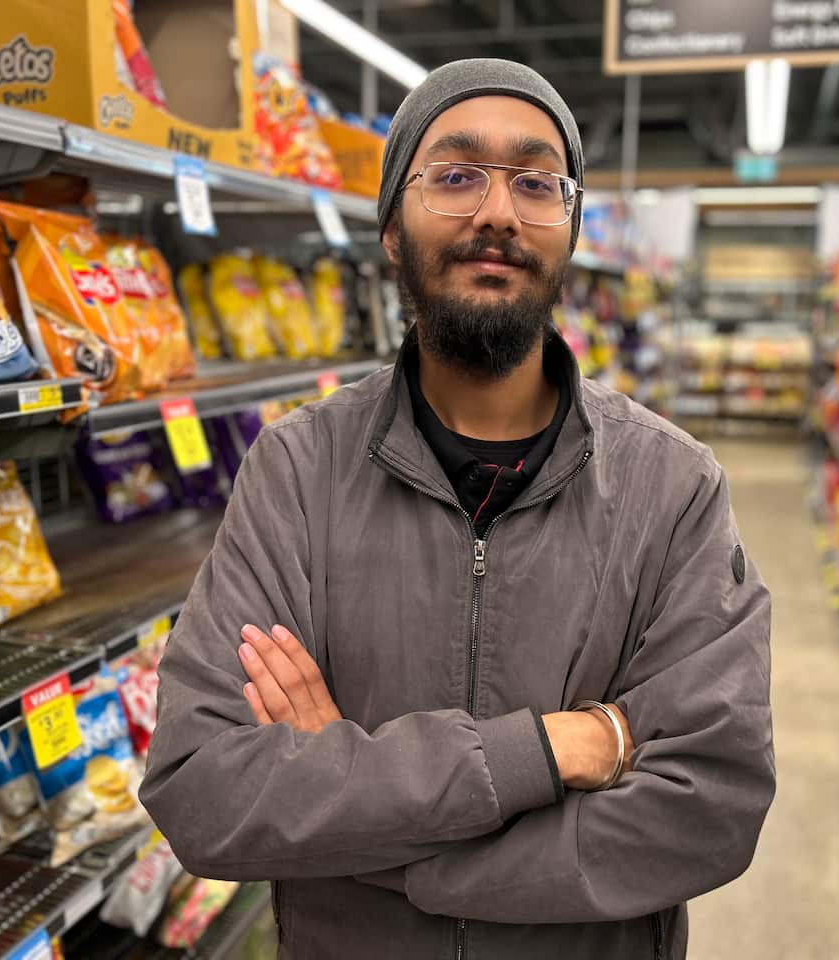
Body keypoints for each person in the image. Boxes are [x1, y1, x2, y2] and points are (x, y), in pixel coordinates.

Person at [140, 58, 774, 959]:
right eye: (456, 175)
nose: (498, 212)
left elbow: (708, 808)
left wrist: (380, 839)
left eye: (536, 183)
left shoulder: (672, 488)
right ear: (392, 230)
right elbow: (205, 789)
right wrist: (547, 752)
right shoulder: (297, 471)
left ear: (570, 230)